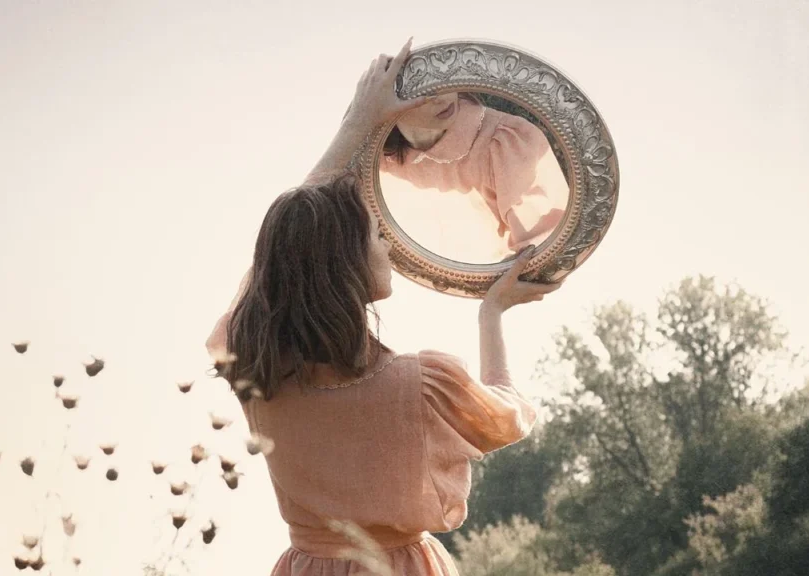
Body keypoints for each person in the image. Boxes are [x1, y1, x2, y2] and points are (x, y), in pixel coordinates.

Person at [207, 38, 563, 575]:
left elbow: (278, 258)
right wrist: (492, 316)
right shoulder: (420, 384)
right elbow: (508, 418)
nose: (388, 246)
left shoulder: (256, 365)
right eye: (376, 235)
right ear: (346, 262)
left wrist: (357, 123)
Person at [380, 90, 568, 254]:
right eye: (420, 89)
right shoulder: (374, 162)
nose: (441, 96)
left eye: (445, 75)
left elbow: (543, 249)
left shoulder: (509, 140)